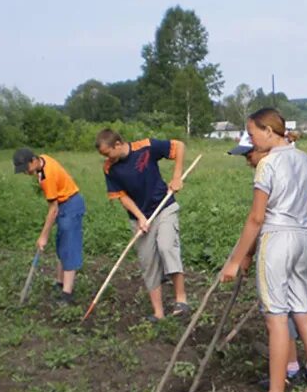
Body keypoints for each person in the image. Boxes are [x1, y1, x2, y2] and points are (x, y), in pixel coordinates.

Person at [220, 108, 307, 392]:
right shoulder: (305, 159)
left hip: (277, 241)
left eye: (252, 133)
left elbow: (256, 218)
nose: (251, 140)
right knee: (303, 313)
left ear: (269, 131)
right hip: (303, 239)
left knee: (276, 318)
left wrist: (235, 260)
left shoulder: (266, 165)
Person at [95, 129, 189, 321]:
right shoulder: (109, 168)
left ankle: (181, 299)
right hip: (139, 217)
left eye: (107, 153)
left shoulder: (146, 147)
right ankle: (159, 313)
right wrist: (139, 217)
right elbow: (121, 195)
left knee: (166, 246)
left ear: (118, 144)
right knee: (148, 262)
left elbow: (179, 146)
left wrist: (177, 176)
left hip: (164, 207)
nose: (107, 158)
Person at [13, 148, 86, 305]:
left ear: (33, 160)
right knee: (61, 245)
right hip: (65, 203)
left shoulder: (47, 177)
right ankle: (60, 283)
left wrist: (43, 236)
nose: (26, 173)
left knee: (69, 247)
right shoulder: (43, 159)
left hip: (70, 205)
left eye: (26, 168)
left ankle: (67, 295)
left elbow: (53, 210)